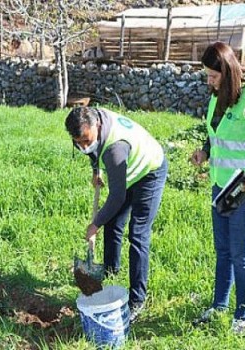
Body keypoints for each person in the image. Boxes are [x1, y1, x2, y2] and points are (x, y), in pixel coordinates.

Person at [190, 41, 245, 335]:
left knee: (241, 254)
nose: (208, 81)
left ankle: (242, 316)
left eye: (213, 76)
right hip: (220, 185)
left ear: (228, 72)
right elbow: (216, 133)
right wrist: (205, 151)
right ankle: (218, 305)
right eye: (207, 76)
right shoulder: (218, 95)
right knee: (223, 250)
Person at [65, 106, 168, 321]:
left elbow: (117, 196)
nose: (84, 146)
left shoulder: (114, 149)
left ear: (97, 126)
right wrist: (96, 170)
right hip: (127, 169)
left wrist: (95, 223)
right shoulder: (93, 117)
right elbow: (94, 149)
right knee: (113, 223)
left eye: (86, 140)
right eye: (78, 142)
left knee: (138, 235)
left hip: (149, 170)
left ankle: (137, 300)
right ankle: (111, 271)